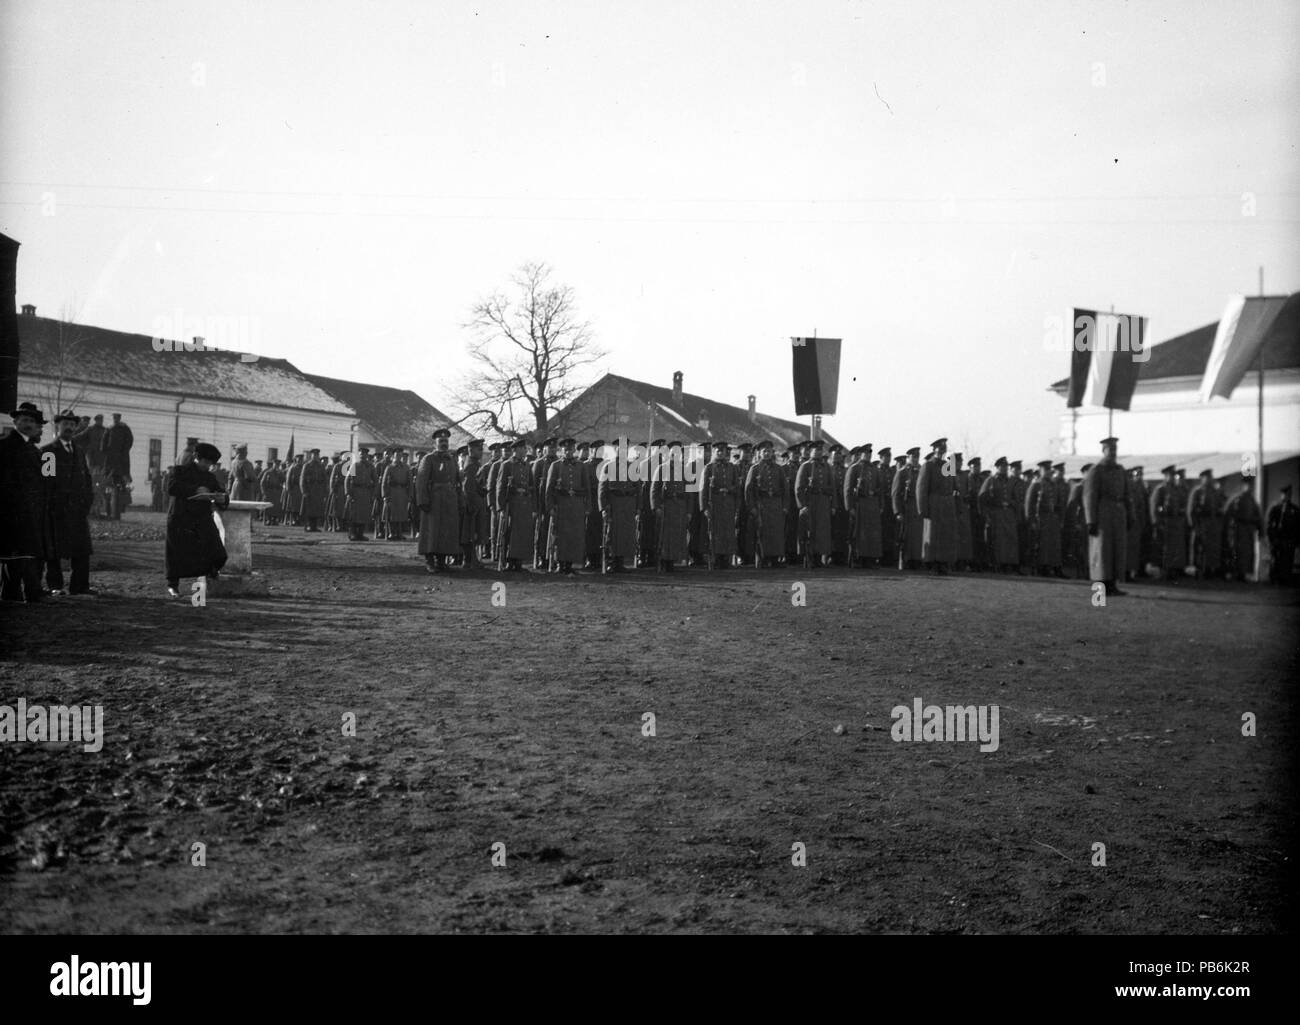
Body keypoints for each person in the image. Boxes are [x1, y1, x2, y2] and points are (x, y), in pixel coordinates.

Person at [40, 409, 96, 596]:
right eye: (66, 424)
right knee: (54, 551)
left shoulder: (79, 452)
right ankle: (55, 586)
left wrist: (86, 503)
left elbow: (87, 480)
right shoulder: (49, 452)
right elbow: (46, 484)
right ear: (57, 426)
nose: (69, 428)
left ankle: (80, 586)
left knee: (82, 550)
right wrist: (53, 508)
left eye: (72, 425)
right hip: (57, 511)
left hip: (78, 511)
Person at [1, 402, 51, 602]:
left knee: (27, 553)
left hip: (31, 511)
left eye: (32, 421)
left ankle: (31, 592)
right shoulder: (5, 445)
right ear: (15, 422)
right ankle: (10, 594)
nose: (28, 424)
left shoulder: (36, 450)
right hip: (10, 510)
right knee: (11, 554)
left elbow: (45, 480)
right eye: (24, 419)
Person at [165, 442, 229, 597]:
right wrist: (194, 490)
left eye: (210, 463)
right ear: (196, 458)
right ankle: (173, 586)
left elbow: (221, 493)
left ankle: (206, 580)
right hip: (181, 518)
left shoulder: (210, 477)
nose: (207, 466)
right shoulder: (179, 471)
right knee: (177, 554)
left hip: (202, 519)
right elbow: (171, 488)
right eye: (205, 462)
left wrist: (222, 499)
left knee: (218, 552)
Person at [1083, 436, 1129, 596]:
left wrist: (1130, 515)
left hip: (1118, 513)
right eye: (1110, 449)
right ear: (1103, 451)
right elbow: (1089, 496)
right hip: (1103, 514)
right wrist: (1091, 521)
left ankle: (1112, 585)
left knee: (1116, 550)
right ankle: (1100, 588)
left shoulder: (1121, 470)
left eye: (1115, 449)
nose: (1113, 453)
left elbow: (1127, 494)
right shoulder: (1096, 470)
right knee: (1102, 551)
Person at [545, 437, 590, 575]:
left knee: (574, 535)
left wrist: (587, 506)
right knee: (560, 535)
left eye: (570, 449)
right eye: (565, 449)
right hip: (562, 504)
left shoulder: (581, 466)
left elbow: (586, 487)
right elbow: (549, 489)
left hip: (576, 505)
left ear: (574, 450)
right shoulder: (556, 465)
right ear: (562, 451)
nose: (568, 452)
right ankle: (560, 563)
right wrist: (551, 506)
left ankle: (569, 564)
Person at [418, 430, 462, 571]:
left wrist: (459, 499)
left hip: (449, 500)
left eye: (446, 442)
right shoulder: (429, 459)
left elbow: (457, 482)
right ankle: (430, 561)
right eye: (441, 442)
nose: (444, 444)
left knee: (446, 530)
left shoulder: (451, 459)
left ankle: (441, 561)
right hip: (434, 500)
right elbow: (421, 481)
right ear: (435, 443)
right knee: (431, 530)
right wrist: (423, 500)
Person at [917, 437, 957, 575]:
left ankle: (943, 563)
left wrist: (956, 505)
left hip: (947, 505)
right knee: (933, 535)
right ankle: (933, 564)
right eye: (939, 450)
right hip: (934, 504)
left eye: (944, 450)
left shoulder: (949, 466)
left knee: (946, 536)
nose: (942, 453)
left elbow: (954, 487)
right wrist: (922, 509)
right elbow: (921, 489)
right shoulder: (928, 465)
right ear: (934, 450)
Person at [745, 440, 788, 568]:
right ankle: (763, 559)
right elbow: (748, 490)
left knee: (776, 533)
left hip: (775, 505)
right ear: (759, 453)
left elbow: (785, 489)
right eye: (764, 451)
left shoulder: (779, 469)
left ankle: (775, 559)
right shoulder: (755, 469)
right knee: (762, 532)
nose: (767, 454)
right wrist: (752, 507)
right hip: (761, 505)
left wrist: (785, 506)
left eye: (769, 451)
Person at [495, 438, 535, 571]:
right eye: (523, 448)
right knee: (510, 532)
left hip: (524, 504)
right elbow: (500, 487)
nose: (525, 451)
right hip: (511, 504)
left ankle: (518, 561)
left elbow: (531, 484)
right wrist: (500, 507)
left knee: (522, 532)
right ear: (516, 450)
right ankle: (508, 561)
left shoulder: (526, 465)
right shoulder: (507, 465)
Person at [651, 440, 691, 571]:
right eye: (673, 454)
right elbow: (654, 490)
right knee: (665, 536)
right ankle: (664, 561)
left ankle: (672, 561)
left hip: (679, 507)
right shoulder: (662, 468)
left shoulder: (684, 470)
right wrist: (656, 507)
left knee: (677, 535)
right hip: (666, 506)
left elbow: (689, 491)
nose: (676, 456)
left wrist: (689, 510)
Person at [701, 441, 741, 569]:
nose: (720, 453)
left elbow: (737, 488)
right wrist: (704, 507)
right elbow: (703, 489)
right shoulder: (709, 468)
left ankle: (726, 558)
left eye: (722, 451)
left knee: (728, 531)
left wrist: (731, 493)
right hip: (715, 504)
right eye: (718, 451)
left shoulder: (732, 467)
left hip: (728, 504)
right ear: (715, 452)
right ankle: (716, 558)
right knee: (715, 532)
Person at [978, 457, 1019, 573]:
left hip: (1008, 514)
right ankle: (998, 564)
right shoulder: (991, 480)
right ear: (997, 468)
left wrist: (1013, 507)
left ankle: (1008, 564)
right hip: (996, 513)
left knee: (1009, 540)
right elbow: (982, 498)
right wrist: (986, 515)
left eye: (1006, 466)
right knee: (998, 541)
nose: (1005, 468)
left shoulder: (1011, 481)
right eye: (1002, 466)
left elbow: (1016, 498)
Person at [1149, 464, 1188, 580]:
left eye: (1172, 475)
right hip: (1164, 521)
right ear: (1165, 476)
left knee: (1174, 548)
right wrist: (1156, 522)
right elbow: (1153, 507)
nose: (1171, 478)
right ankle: (1164, 571)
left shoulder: (1177, 489)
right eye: (1169, 475)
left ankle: (1172, 570)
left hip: (1175, 522)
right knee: (1164, 548)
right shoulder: (1160, 489)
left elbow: (1182, 504)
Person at [1187, 469, 1226, 580]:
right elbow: (1191, 510)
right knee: (1201, 548)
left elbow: (1221, 507)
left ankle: (1210, 569)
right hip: (1202, 523)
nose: (1209, 479)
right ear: (1202, 478)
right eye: (1206, 477)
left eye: (1210, 477)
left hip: (1213, 524)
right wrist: (1194, 525)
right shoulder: (1197, 492)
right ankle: (1200, 570)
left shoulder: (1216, 492)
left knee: (1212, 548)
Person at [892, 447, 924, 570]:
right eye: (914, 457)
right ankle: (906, 561)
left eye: (917, 456)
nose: (916, 459)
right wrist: (898, 511)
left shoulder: (921, 470)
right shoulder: (902, 472)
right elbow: (895, 493)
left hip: (918, 508)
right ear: (909, 457)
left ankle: (917, 560)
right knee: (906, 537)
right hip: (907, 507)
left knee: (917, 536)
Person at [1266, 484, 1299, 584]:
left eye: (1288, 495)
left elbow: (1297, 526)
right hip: (1278, 538)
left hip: (1289, 539)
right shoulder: (1276, 508)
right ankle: (1275, 578)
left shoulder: (1295, 509)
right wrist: (1272, 538)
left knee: (1288, 559)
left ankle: (1285, 578)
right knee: (1276, 559)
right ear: (1281, 495)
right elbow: (1270, 524)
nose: (1286, 497)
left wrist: (1296, 540)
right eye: (1284, 494)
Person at [344, 447, 377, 541]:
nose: (363, 456)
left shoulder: (371, 466)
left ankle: (360, 534)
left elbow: (375, 481)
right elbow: (347, 479)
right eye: (361, 454)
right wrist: (348, 493)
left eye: (365, 454)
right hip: (356, 492)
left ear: (367, 456)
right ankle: (353, 534)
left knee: (364, 514)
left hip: (366, 493)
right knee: (354, 515)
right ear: (359, 455)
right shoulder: (355, 465)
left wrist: (373, 493)